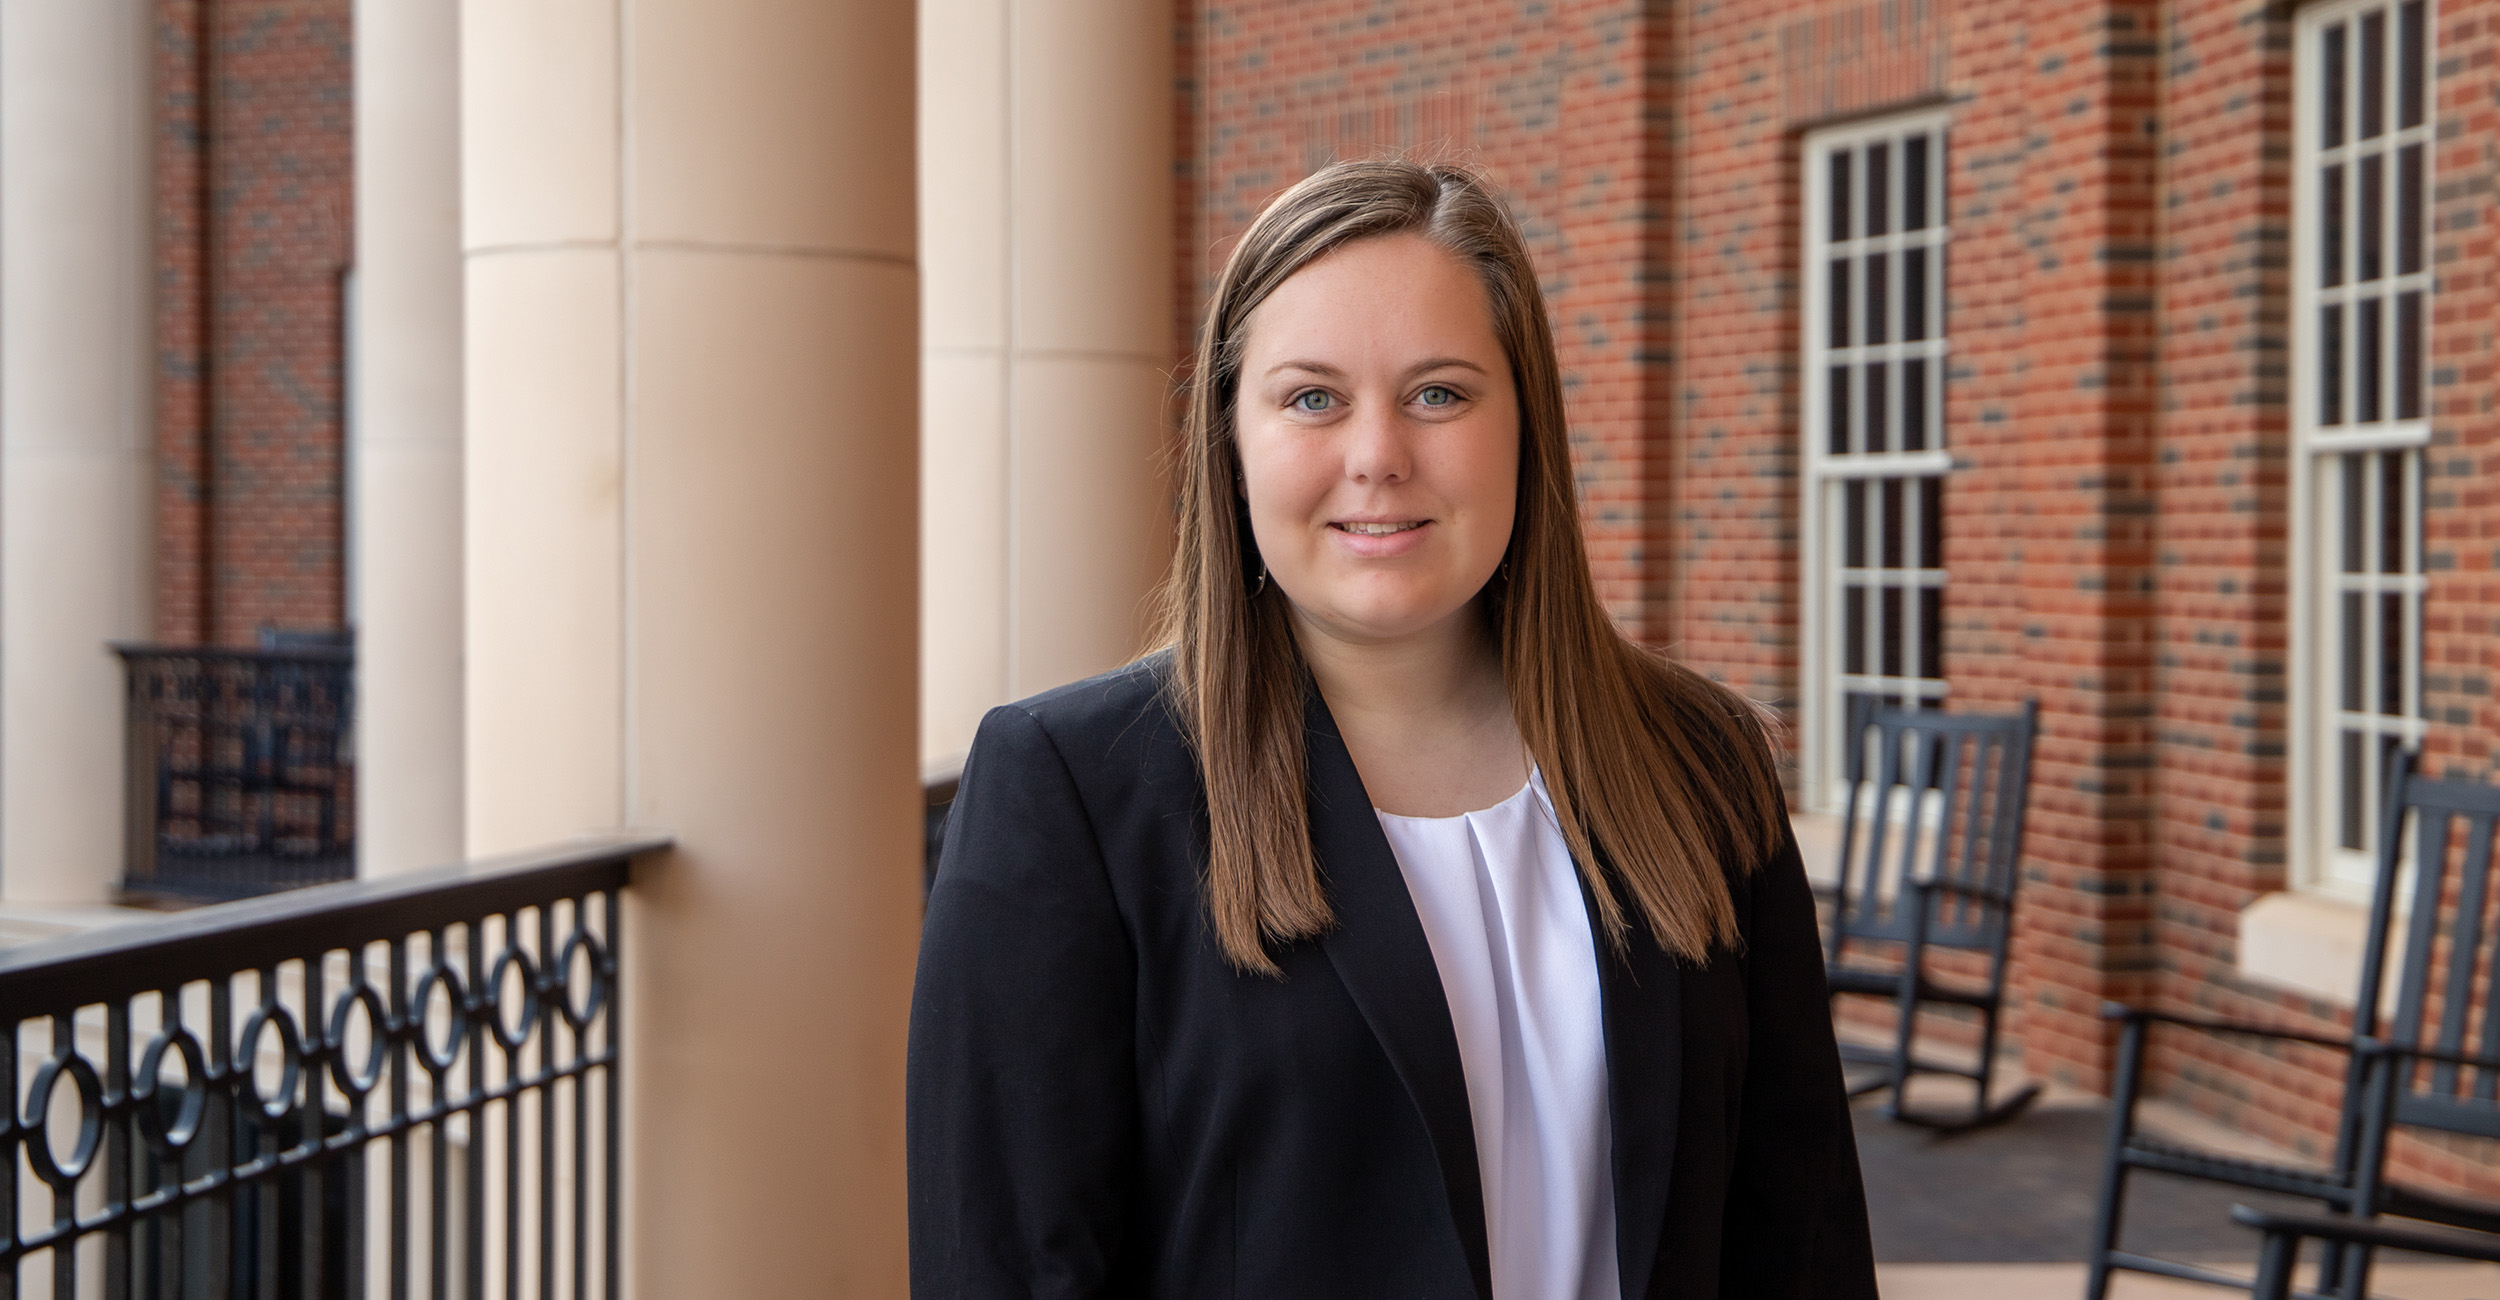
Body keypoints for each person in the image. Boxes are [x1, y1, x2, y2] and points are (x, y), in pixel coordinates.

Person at [907, 159, 1877, 1300]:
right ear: (1230, 436)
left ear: (1527, 425)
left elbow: (1799, 1242)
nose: (1377, 455)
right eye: (1311, 397)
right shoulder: (1071, 794)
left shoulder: (1700, 767)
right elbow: (1011, 1271)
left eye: (1439, 393)